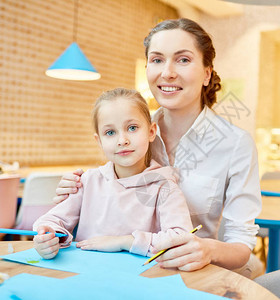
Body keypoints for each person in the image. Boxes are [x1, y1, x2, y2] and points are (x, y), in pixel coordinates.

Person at [53, 18, 263, 278]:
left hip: (190, 275)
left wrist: (208, 249)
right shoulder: (132, 131)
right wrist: (77, 188)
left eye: (183, 60)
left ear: (207, 73)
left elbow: (241, 246)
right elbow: (108, 194)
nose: (167, 72)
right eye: (157, 60)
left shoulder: (235, 144)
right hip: (118, 272)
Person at [33, 88, 193, 259]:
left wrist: (125, 242)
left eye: (132, 128)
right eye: (110, 132)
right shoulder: (88, 181)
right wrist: (48, 235)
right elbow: (52, 221)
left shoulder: (164, 186)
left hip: (141, 277)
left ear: (151, 132)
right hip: (86, 273)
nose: (122, 140)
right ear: (99, 141)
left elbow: (182, 238)